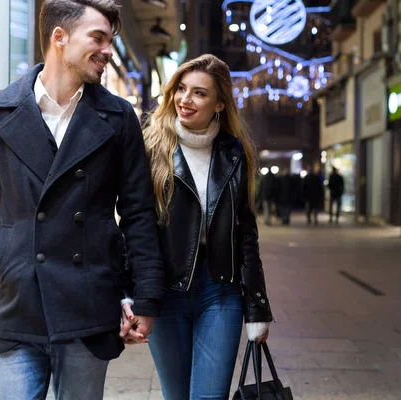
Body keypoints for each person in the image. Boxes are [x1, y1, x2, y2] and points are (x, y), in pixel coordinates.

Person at [0, 1, 164, 399]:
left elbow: (138, 213)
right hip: (15, 303)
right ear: (59, 38)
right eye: (97, 38)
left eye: (111, 40)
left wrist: (144, 296)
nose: (108, 51)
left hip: (88, 303)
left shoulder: (118, 118)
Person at [122, 54, 273, 400]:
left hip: (220, 291)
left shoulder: (235, 154)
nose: (185, 100)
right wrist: (133, 292)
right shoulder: (151, 148)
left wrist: (257, 306)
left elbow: (245, 231)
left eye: (199, 93)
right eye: (181, 89)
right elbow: (135, 226)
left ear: (219, 104)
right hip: (166, 289)